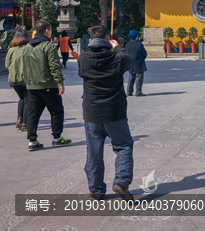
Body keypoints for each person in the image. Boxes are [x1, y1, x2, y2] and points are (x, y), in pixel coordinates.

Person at [78, 25, 136, 201]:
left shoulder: (83, 58)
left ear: (90, 41)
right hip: (114, 111)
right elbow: (130, 59)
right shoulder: (117, 57)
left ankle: (96, 189)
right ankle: (121, 181)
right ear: (108, 40)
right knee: (124, 145)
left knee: (94, 151)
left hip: (92, 111)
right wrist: (117, 46)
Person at [22, 21, 70, 151]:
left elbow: (23, 67)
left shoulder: (26, 47)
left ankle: (32, 141)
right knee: (56, 111)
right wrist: (59, 82)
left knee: (33, 114)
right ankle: (57, 138)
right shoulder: (49, 46)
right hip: (48, 84)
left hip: (31, 86)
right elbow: (54, 66)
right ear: (47, 31)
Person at [6, 29, 30, 132]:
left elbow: (7, 65)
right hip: (26, 78)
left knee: (21, 99)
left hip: (14, 79)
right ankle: (25, 123)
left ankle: (19, 119)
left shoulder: (11, 50)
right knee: (27, 100)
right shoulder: (28, 48)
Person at [125, 30, 147, 97]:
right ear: (136, 36)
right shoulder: (139, 44)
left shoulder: (127, 45)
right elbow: (144, 53)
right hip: (139, 63)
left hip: (130, 63)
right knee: (139, 77)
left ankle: (129, 91)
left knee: (131, 77)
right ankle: (138, 92)